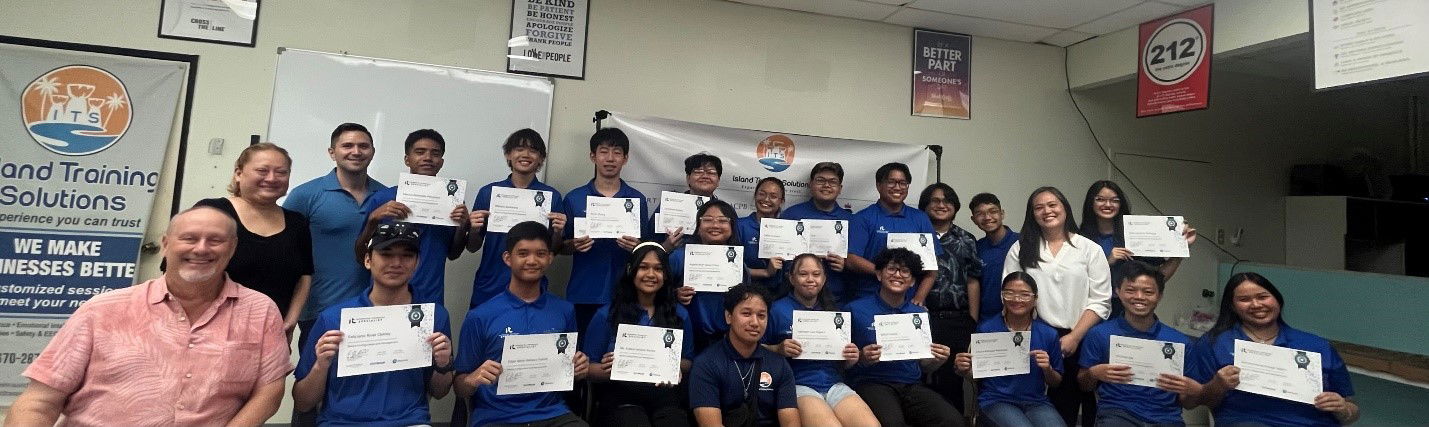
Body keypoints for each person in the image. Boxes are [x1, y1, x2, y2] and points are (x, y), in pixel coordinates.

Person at [6, 207, 290, 425]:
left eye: (215, 240)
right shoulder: (103, 309)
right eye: (189, 238)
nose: (201, 248)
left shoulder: (259, 310)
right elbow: (40, 401)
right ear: (166, 244)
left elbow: (269, 392)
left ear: (232, 248)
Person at [293, 222, 454, 425]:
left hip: (408, 421)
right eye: (386, 254)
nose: (396, 263)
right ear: (368, 260)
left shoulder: (434, 316)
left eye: (407, 255)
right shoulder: (333, 318)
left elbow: (440, 392)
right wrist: (320, 366)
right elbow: (303, 402)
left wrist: (443, 364)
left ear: (417, 263)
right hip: (342, 422)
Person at [454, 221, 591, 427]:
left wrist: (579, 368)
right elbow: (459, 386)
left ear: (551, 258)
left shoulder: (565, 310)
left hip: (552, 414)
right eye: (523, 253)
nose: (532, 261)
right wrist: (472, 379)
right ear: (508, 258)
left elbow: (568, 371)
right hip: (496, 417)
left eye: (541, 254)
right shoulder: (480, 316)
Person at [1001, 186, 1110, 426]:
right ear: (1032, 214)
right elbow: (1010, 293)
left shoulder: (1089, 249)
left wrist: (1074, 336)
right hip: (1036, 336)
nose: (1046, 211)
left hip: (1083, 336)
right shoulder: (1021, 248)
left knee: (1080, 404)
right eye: (1038, 207)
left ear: (1064, 209)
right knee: (1044, 405)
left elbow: (1101, 300)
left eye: (1052, 205)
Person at [1189, 272, 1359, 426]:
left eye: (1263, 297)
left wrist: (1342, 408)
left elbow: (1352, 411)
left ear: (1277, 300)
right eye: (1244, 300)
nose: (1256, 304)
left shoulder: (1317, 345)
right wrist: (1217, 385)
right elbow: (1195, 401)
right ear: (1232, 306)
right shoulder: (1215, 343)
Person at [192, 142, 312, 339]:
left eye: (281, 172)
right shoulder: (212, 211)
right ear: (239, 173)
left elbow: (305, 276)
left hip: (271, 334)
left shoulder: (297, 223)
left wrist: (290, 321)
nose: (272, 178)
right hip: (208, 333)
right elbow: (178, 269)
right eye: (262, 170)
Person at [285, 122, 386, 355]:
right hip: (319, 310)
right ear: (332, 152)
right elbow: (286, 252)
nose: (356, 151)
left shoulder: (386, 196)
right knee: (317, 381)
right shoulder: (305, 195)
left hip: (372, 310)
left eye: (363, 146)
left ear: (372, 151)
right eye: (347, 145)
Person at [846, 248, 962, 427]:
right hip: (872, 382)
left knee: (952, 420)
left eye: (905, 271)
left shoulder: (919, 314)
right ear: (879, 274)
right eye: (891, 269)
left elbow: (924, 366)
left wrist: (937, 360)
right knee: (893, 423)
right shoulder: (855, 309)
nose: (897, 275)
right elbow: (842, 361)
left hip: (911, 384)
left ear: (913, 281)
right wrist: (862, 357)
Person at [582, 242, 693, 427]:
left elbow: (688, 360)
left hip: (665, 396)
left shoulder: (680, 314)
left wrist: (671, 365)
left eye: (658, 269)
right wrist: (613, 368)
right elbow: (587, 369)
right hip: (620, 398)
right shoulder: (606, 315)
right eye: (643, 267)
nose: (650, 274)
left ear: (666, 275)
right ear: (630, 270)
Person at [353, 129, 470, 305]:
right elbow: (360, 255)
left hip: (430, 297)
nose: (428, 158)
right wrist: (372, 220)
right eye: (420, 152)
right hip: (385, 296)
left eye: (435, 153)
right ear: (407, 159)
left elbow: (453, 254)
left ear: (441, 162)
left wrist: (463, 227)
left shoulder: (451, 203)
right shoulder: (383, 198)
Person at [762, 253, 879, 427]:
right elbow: (755, 348)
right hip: (798, 384)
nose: (810, 279)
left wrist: (852, 358)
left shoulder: (833, 313)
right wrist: (778, 349)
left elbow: (844, 363)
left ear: (824, 279)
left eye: (816, 274)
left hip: (834, 384)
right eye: (803, 274)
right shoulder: (776, 310)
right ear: (791, 278)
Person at [1078, 261, 1201, 427]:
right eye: (1130, 290)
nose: (1139, 297)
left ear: (1160, 295)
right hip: (1117, 414)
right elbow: (1084, 385)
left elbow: (1188, 403)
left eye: (1148, 292)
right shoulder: (1099, 334)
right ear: (1118, 292)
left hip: (1166, 418)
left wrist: (1194, 391)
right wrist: (1094, 373)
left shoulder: (1181, 342)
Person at [466, 128, 567, 308]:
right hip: (491, 283)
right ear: (508, 155)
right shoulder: (488, 193)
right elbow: (473, 247)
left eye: (533, 150)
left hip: (532, 283)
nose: (526, 155)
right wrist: (473, 228)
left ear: (541, 159)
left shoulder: (552, 197)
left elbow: (554, 250)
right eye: (519, 149)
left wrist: (558, 232)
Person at [560, 127, 648, 334]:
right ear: (593, 156)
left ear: (625, 158)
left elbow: (645, 248)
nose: (610, 158)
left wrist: (637, 247)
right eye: (603, 151)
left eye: (617, 152)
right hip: (583, 291)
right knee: (582, 356)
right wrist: (572, 245)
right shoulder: (574, 198)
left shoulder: (637, 200)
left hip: (627, 294)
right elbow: (558, 247)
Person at [953, 272, 1064, 427]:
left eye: (1024, 295)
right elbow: (977, 376)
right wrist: (964, 370)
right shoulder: (988, 329)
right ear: (1002, 296)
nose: (1016, 299)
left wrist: (1047, 369)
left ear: (1035, 299)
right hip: (996, 400)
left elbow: (1056, 382)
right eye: (1009, 293)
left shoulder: (1048, 334)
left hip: (1036, 402)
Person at [1077, 181, 1195, 317]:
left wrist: (1181, 247)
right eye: (1100, 199)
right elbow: (1074, 280)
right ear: (1090, 203)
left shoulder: (1136, 234)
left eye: (1114, 200)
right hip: (1090, 309)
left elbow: (1158, 277)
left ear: (1121, 204)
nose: (1108, 205)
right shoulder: (1080, 240)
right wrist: (1107, 261)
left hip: (1130, 310)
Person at [689, 284, 801, 427]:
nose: (754, 322)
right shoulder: (706, 363)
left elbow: (791, 422)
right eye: (746, 314)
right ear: (728, 316)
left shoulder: (779, 364)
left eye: (761, 316)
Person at [917, 182, 982, 413]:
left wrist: (971, 319)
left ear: (955, 207)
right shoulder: (916, 237)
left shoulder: (967, 239)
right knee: (920, 378)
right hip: (922, 319)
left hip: (957, 320)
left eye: (947, 201)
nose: (941, 205)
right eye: (934, 200)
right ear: (924, 206)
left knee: (952, 380)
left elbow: (973, 279)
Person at [847, 162, 940, 302]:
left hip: (908, 301)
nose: (897, 187)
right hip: (870, 299)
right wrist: (885, 273)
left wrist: (919, 297)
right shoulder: (863, 218)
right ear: (879, 186)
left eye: (903, 183)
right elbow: (851, 259)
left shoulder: (920, 218)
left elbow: (932, 266)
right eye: (891, 182)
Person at [671, 199, 749, 353]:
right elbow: (654, 292)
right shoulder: (680, 257)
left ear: (732, 227)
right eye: (707, 220)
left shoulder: (739, 263)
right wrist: (674, 294)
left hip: (728, 341)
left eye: (722, 221)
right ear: (698, 226)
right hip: (686, 338)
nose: (715, 225)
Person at [780, 162, 854, 302]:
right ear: (810, 184)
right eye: (820, 180)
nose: (826, 185)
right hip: (795, 298)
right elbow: (779, 261)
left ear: (840, 188)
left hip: (836, 298)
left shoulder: (851, 220)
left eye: (833, 182)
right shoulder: (791, 215)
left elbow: (856, 261)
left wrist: (845, 265)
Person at [652, 153, 723, 250]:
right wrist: (665, 247)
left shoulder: (726, 211)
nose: (705, 176)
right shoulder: (669, 205)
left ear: (718, 181)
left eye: (711, 173)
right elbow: (649, 242)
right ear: (688, 178)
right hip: (673, 263)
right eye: (698, 172)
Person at [970, 193, 1018, 321]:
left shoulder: (1021, 243)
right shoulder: (976, 247)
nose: (987, 217)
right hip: (987, 320)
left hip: (1018, 319)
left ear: (1002, 214)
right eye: (980, 213)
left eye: (993, 211)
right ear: (973, 219)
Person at [738, 177, 788, 296]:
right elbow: (731, 266)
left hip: (779, 294)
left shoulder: (788, 229)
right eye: (762, 194)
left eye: (773, 196)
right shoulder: (739, 225)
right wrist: (766, 272)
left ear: (781, 201)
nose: (766, 199)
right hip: (744, 293)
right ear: (755, 196)